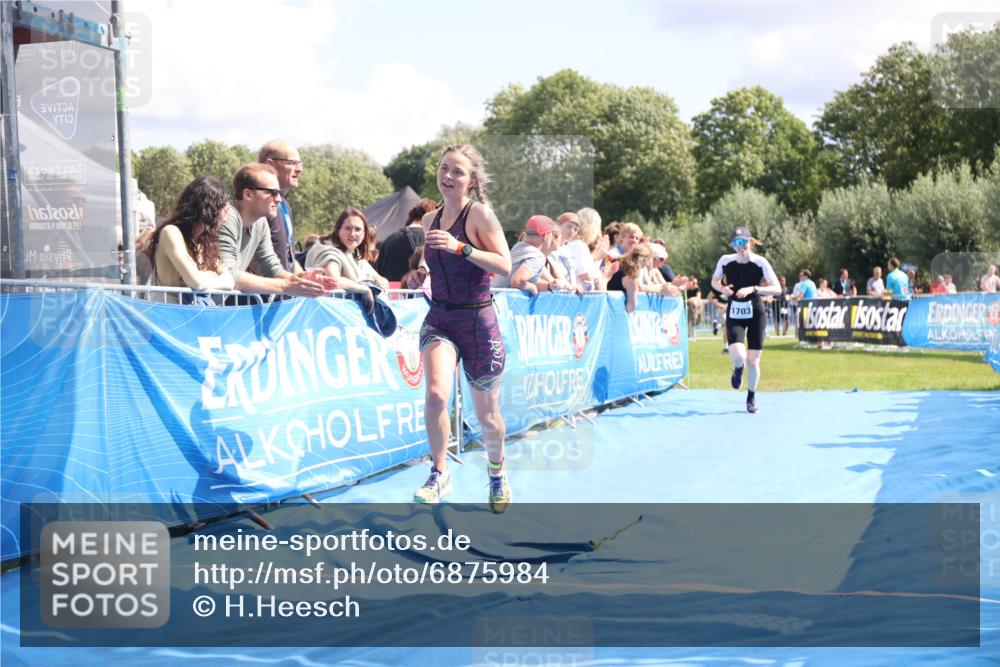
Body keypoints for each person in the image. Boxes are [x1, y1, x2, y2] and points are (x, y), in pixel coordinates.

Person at [414, 144, 513, 513]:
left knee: (487, 415)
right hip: (440, 318)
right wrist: (421, 270)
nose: (448, 176)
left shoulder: (480, 215)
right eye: (444, 168)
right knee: (436, 395)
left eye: (457, 171)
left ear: (471, 181)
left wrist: (462, 248)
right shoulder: (429, 219)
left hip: (477, 321)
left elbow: (504, 264)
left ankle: (497, 473)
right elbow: (432, 261)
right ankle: (439, 473)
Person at [218, 163, 334, 297]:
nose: (278, 199)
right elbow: (227, 275)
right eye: (271, 192)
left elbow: (271, 268)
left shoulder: (261, 223)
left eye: (279, 193)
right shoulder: (227, 217)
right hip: (199, 306)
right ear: (248, 194)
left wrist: (300, 279)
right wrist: (286, 286)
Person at [711, 227, 781, 414]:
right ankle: (738, 368)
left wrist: (754, 289)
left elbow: (777, 289)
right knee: (739, 356)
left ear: (750, 242)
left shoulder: (760, 262)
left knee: (754, 361)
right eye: (737, 243)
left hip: (756, 312)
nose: (741, 246)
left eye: (744, 242)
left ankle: (751, 397)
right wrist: (722, 289)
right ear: (732, 245)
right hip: (735, 311)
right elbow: (714, 281)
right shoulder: (725, 261)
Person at [146, 176, 235, 302]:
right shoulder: (171, 232)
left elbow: (230, 281)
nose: (225, 219)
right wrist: (210, 276)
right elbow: (196, 283)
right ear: (208, 210)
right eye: (224, 211)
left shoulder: (203, 243)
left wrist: (203, 278)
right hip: (168, 312)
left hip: (189, 312)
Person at [305, 208, 390, 311]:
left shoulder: (353, 253)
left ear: (364, 233)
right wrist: (365, 290)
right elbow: (332, 280)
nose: (353, 234)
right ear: (338, 230)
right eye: (348, 228)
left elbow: (376, 276)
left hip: (348, 313)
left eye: (358, 229)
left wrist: (381, 281)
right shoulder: (328, 251)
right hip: (326, 313)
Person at [258, 140, 303, 273]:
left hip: (284, 284)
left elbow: (288, 258)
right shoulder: (258, 203)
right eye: (292, 163)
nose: (299, 169)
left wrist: (305, 277)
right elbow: (254, 257)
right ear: (270, 165)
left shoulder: (284, 205)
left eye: (300, 163)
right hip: (266, 285)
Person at [491, 215, 565, 294]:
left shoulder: (519, 246)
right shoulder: (537, 256)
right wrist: (532, 287)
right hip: (502, 298)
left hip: (493, 294)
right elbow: (517, 281)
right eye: (552, 235)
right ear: (546, 235)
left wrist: (549, 286)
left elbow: (532, 281)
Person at [374, 198, 437, 282]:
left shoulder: (389, 239)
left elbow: (378, 271)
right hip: (416, 288)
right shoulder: (431, 237)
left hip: (389, 288)